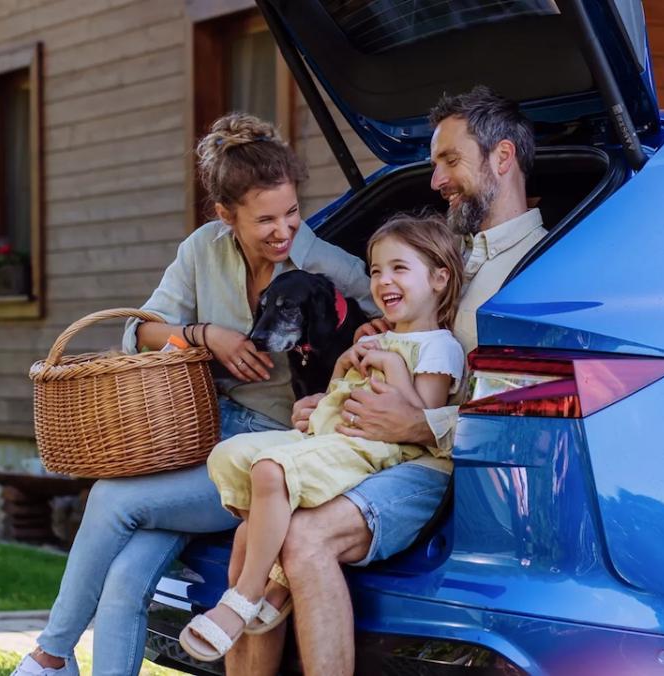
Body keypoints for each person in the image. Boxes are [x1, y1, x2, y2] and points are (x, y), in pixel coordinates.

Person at [11, 112, 375, 676]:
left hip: (268, 454)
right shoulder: (204, 249)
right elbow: (138, 331)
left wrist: (349, 373)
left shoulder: (323, 263)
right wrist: (207, 335)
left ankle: (51, 655)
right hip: (198, 436)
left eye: (293, 212)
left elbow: (394, 317)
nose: (285, 232)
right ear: (226, 217)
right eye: (266, 220)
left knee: (112, 499)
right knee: (127, 574)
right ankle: (58, 658)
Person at [227, 85, 546, 675]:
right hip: (374, 452)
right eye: (434, 163)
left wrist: (422, 424)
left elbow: (519, 401)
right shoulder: (451, 252)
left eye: (450, 160)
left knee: (301, 538)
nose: (435, 180)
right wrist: (333, 403)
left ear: (502, 158)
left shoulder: (541, 268)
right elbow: (410, 345)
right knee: (256, 525)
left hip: (454, 473)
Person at [179, 215, 465, 662]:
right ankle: (262, 593)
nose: (383, 280)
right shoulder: (376, 337)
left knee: (285, 509)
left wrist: (386, 364)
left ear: (439, 278)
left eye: (398, 269)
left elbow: (418, 422)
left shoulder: (436, 347)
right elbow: (337, 395)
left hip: (391, 456)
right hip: (342, 440)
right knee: (242, 509)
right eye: (375, 271)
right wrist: (337, 379)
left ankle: (247, 599)